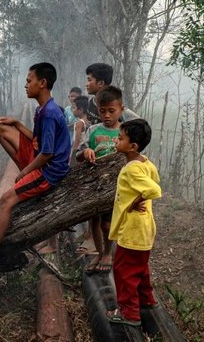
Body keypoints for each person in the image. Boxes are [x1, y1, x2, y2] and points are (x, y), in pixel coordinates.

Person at [0, 62, 71, 267]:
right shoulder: (43, 108)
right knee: (2, 129)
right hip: (41, 159)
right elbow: (37, 141)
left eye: (29, 81)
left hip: (49, 171)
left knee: (6, 199)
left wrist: (28, 170)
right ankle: (27, 179)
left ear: (43, 83)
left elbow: (47, 153)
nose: (26, 85)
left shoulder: (49, 113)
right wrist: (17, 124)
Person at [106, 119, 162, 327]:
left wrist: (135, 201)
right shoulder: (144, 162)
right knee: (140, 267)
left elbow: (154, 190)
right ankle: (147, 300)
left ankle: (129, 313)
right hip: (145, 228)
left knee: (124, 270)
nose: (116, 141)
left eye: (120, 139)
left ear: (132, 146)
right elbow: (154, 179)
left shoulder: (131, 169)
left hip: (133, 229)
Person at [75, 86, 125, 272]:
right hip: (94, 184)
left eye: (111, 111)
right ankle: (98, 251)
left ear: (121, 109)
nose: (106, 115)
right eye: (102, 111)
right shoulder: (94, 130)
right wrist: (86, 151)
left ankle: (107, 253)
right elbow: (80, 153)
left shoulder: (125, 132)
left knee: (107, 223)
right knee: (94, 221)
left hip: (114, 187)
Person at [70, 95, 90, 164]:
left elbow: (77, 142)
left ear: (80, 110)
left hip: (80, 152)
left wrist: (72, 158)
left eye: (74, 108)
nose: (72, 110)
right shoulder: (88, 121)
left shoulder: (79, 123)